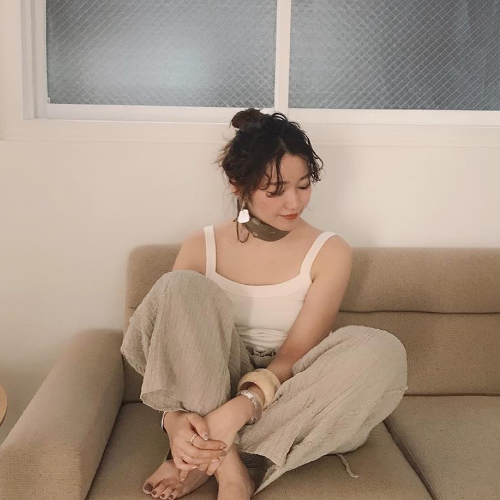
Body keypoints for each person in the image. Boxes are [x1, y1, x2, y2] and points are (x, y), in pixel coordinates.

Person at [120, 108, 408, 500]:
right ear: (238, 185)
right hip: (209, 381)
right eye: (275, 190)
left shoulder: (331, 251)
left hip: (288, 388)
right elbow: (175, 345)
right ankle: (231, 470)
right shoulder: (200, 245)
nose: (294, 202)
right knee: (179, 286)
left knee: (382, 349)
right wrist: (173, 417)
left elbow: (295, 352)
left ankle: (199, 449)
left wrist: (242, 406)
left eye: (303, 185)